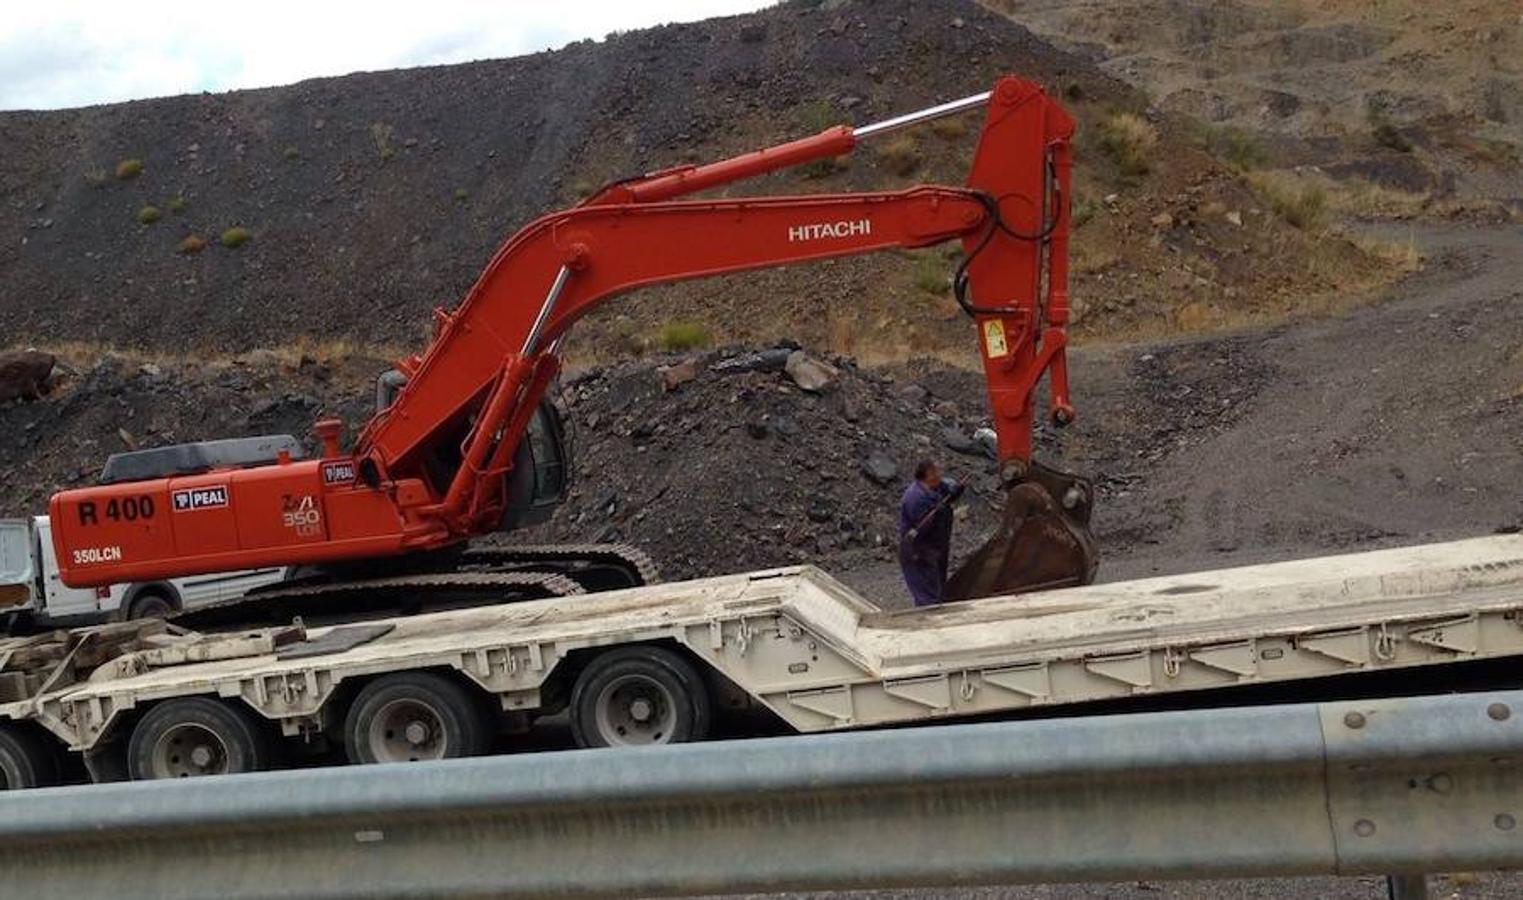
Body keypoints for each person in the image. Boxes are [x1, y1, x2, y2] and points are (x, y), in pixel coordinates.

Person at [898, 459, 963, 607]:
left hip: (936, 549)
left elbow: (947, 487)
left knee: (938, 590)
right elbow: (923, 529)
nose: (939, 475)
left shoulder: (935, 487)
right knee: (928, 598)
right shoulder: (916, 497)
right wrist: (938, 510)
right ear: (926, 476)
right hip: (919, 552)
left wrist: (955, 490)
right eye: (935, 473)